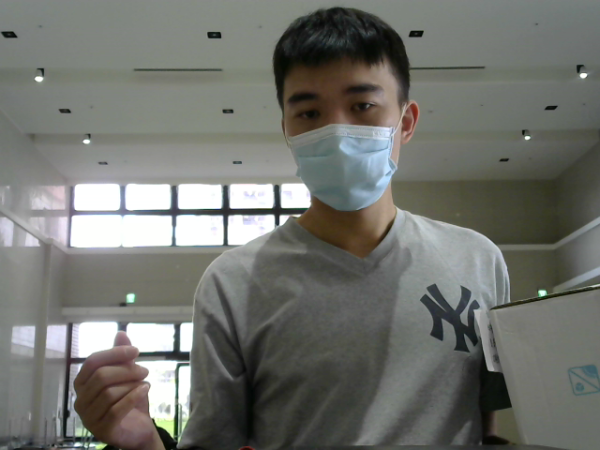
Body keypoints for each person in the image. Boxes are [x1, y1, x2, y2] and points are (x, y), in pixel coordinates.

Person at [74, 7, 513, 450]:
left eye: (363, 106)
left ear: (407, 121)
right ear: (287, 129)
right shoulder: (234, 283)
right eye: (309, 113)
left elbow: (486, 427)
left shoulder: (476, 260)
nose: (336, 130)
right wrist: (145, 445)